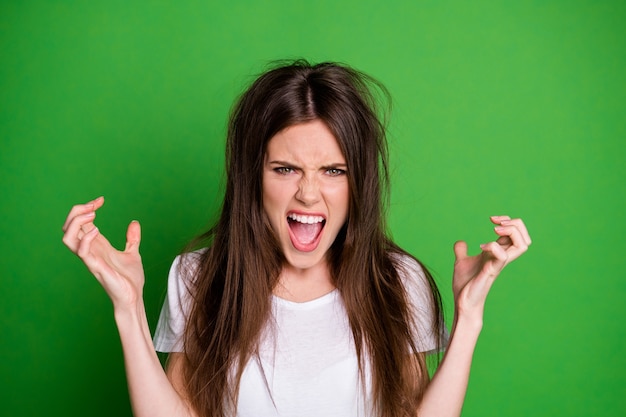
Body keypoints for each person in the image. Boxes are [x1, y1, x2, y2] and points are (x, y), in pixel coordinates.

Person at [62, 60, 531, 417]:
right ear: (253, 176)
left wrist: (467, 320)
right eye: (285, 169)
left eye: (333, 171)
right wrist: (128, 310)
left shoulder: (397, 281)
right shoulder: (199, 277)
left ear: (358, 182)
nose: (308, 193)